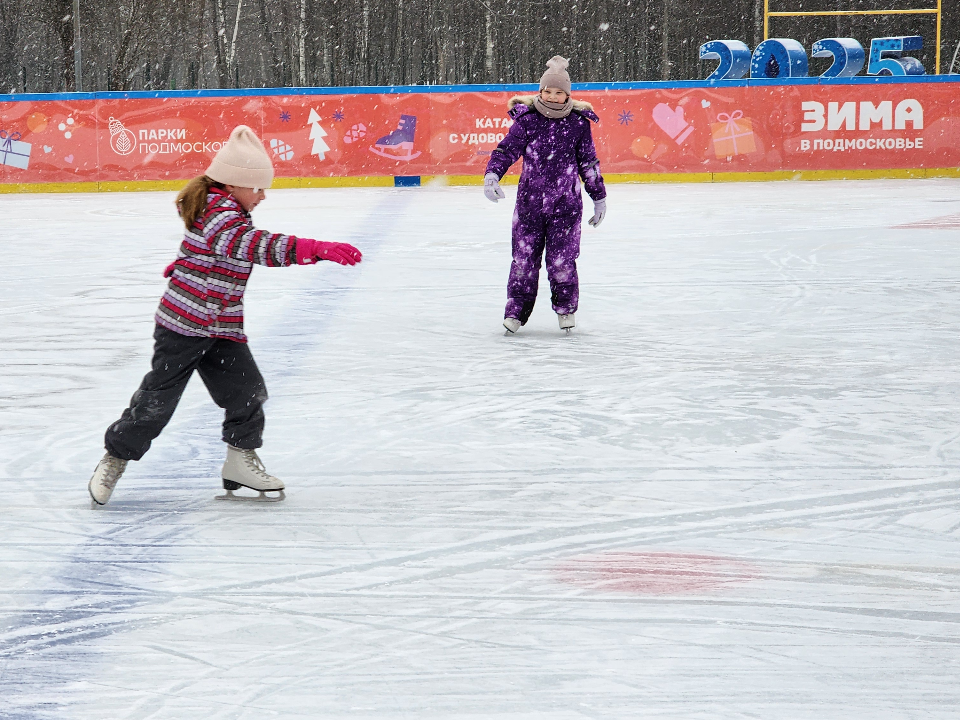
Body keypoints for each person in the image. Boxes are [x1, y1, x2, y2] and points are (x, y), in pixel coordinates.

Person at [87, 125, 362, 505]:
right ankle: (114, 459)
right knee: (156, 404)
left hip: (221, 325)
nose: (263, 196)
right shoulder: (219, 213)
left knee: (247, 391)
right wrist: (314, 248)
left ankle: (240, 460)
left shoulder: (227, 208)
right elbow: (252, 246)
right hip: (183, 328)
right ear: (234, 184)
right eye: (258, 188)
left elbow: (230, 250)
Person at [483, 55, 607, 335]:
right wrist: (492, 173)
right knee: (523, 261)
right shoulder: (527, 121)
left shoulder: (578, 124)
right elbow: (507, 150)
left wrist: (598, 197)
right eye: (547, 91)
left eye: (558, 92)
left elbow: (588, 163)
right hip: (529, 206)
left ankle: (565, 310)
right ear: (540, 92)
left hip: (566, 207)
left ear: (567, 95)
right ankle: (515, 313)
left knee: (562, 261)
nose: (552, 96)